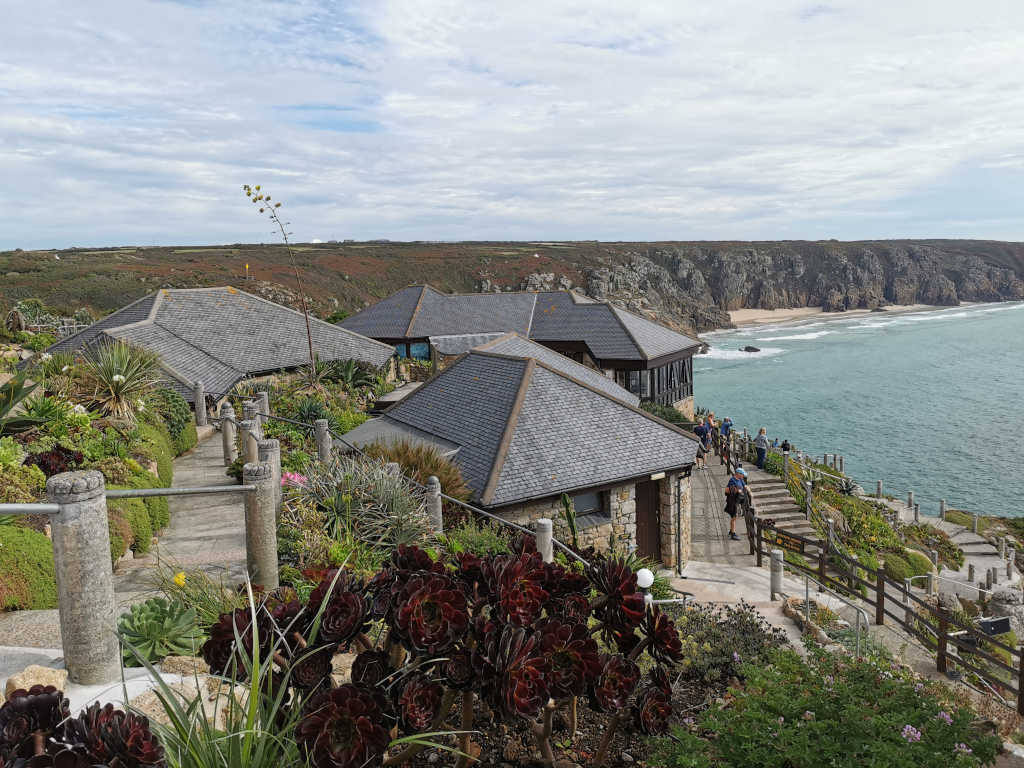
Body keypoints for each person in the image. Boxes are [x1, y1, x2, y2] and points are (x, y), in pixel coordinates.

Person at [724, 468, 745, 540]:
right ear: (738, 474)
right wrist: (736, 490)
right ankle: (733, 534)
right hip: (732, 501)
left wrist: (749, 492)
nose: (743, 476)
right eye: (742, 474)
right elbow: (726, 490)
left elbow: (744, 487)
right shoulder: (732, 480)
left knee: (735, 517)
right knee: (734, 517)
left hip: (737, 501)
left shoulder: (741, 480)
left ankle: (731, 530)